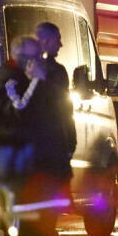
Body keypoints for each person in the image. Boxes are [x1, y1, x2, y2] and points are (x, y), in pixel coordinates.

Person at [0, 35, 70, 236]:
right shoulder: (10, 83)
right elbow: (20, 112)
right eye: (33, 56)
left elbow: (55, 122)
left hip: (46, 174)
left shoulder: (41, 83)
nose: (39, 61)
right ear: (21, 59)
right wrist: (37, 82)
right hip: (25, 177)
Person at [36, 22, 77, 161]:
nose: (61, 44)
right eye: (57, 39)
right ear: (46, 41)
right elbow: (64, 109)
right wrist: (71, 141)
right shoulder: (57, 71)